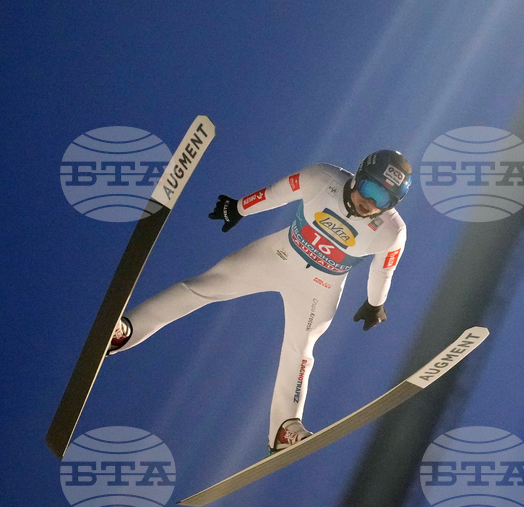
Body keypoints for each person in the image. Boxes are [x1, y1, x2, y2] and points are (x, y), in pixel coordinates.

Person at [108, 150, 411, 453]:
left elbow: (384, 271)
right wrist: (238, 208)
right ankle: (126, 330)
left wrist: (375, 304)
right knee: (203, 287)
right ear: (359, 176)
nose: (371, 203)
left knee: (301, 349)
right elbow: (276, 194)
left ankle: (285, 428)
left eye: (383, 201)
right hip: (276, 257)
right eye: (371, 189)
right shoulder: (322, 178)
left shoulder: (392, 231)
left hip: (319, 288)